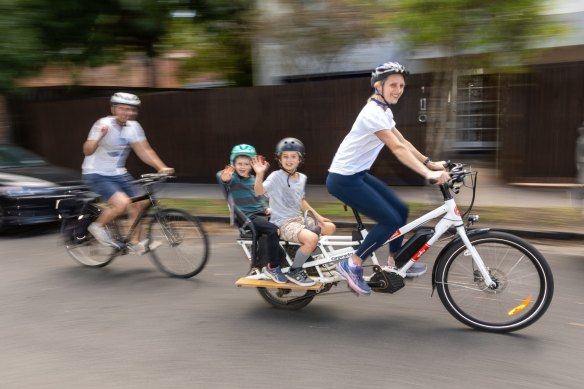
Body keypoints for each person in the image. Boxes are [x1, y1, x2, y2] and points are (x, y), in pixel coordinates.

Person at [326, 62, 450, 296]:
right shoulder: (372, 113)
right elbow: (396, 148)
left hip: (358, 174)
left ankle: (394, 262)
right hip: (343, 179)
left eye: (402, 86)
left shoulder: (384, 111)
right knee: (390, 220)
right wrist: (428, 175)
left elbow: (404, 143)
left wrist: (429, 163)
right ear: (378, 86)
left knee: (401, 210)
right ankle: (351, 264)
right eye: (393, 85)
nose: (398, 90)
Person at [82, 92, 174, 253]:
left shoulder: (134, 127)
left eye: (131, 109)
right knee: (122, 203)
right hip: (96, 173)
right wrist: (99, 137)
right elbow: (87, 150)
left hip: (118, 172)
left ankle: (135, 242)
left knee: (137, 205)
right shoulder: (103, 124)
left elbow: (144, 150)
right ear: (113, 109)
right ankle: (97, 227)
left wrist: (161, 167)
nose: (128, 113)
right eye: (123, 109)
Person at [252, 137, 336, 286]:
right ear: (280, 159)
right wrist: (259, 174)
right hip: (283, 223)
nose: (289, 160)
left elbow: (301, 201)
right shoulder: (276, 177)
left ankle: (311, 258)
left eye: (293, 156)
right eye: (285, 156)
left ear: (300, 159)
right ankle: (295, 270)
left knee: (330, 227)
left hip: (298, 219)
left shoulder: (301, 178)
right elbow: (259, 191)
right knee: (311, 239)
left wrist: (319, 217)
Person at [220, 144, 287, 283]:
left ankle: (300, 262)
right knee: (273, 230)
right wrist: (225, 177)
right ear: (234, 164)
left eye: (246, 163)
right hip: (248, 218)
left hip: (261, 214)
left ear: (252, 164)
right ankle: (273, 268)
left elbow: (259, 197)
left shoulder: (253, 179)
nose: (243, 166)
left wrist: (266, 207)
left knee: (289, 222)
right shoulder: (234, 179)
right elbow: (225, 179)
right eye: (239, 163)